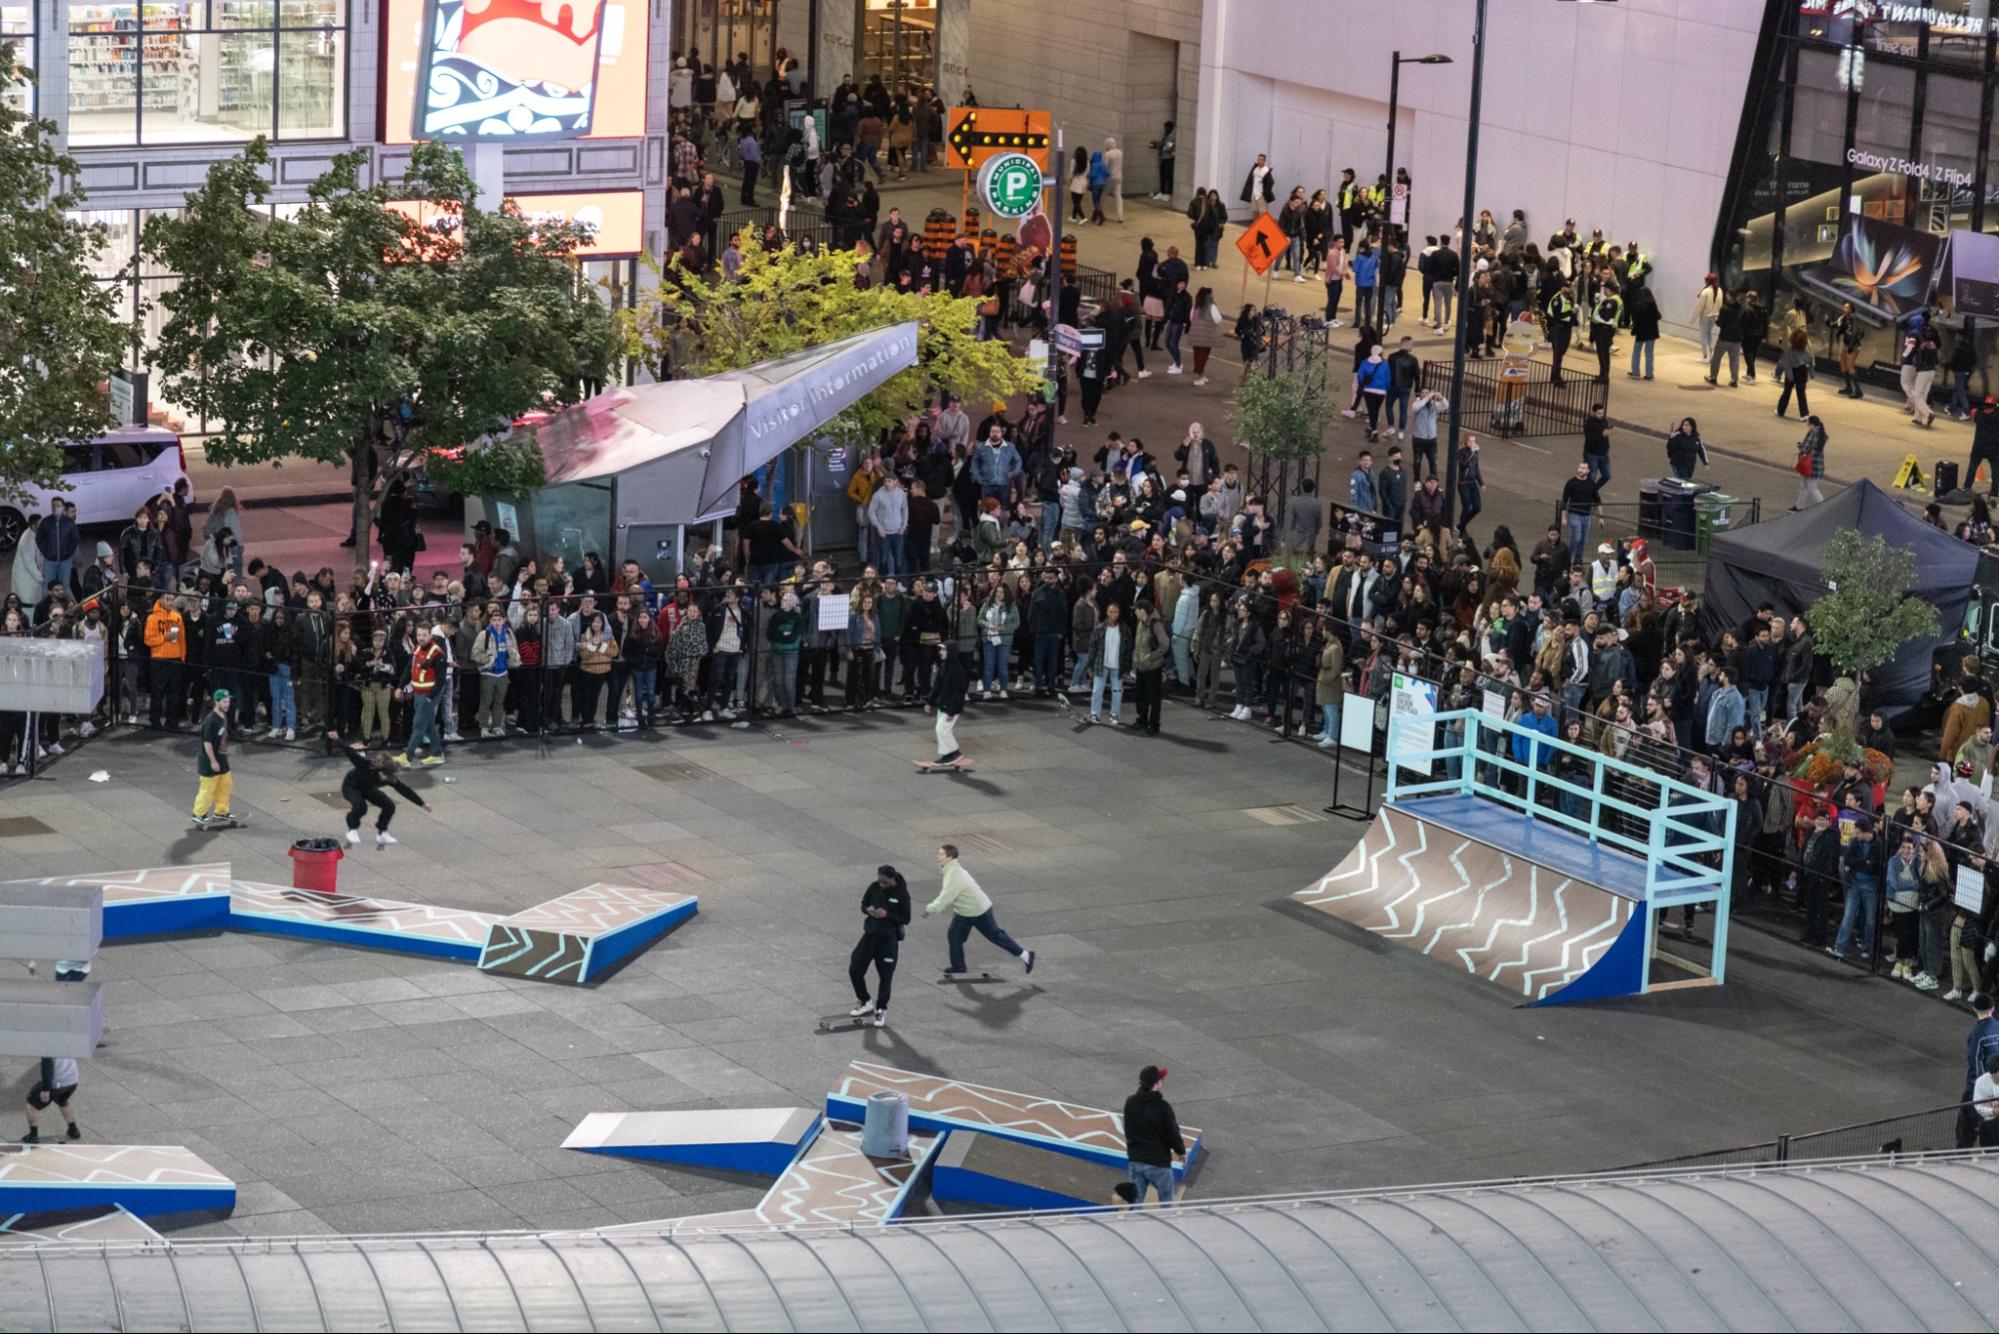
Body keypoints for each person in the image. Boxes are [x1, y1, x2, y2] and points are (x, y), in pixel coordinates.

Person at [925, 843, 1035, 975]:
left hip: (979, 911)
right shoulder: (951, 870)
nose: (938, 856)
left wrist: (930, 909)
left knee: (996, 935)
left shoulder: (954, 875)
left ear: (950, 857)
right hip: (965, 912)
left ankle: (1026, 955)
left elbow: (945, 897)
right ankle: (959, 966)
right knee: (954, 936)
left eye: (941, 854)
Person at [327, 731, 431, 846]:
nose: (388, 779)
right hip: (351, 786)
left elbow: (404, 789)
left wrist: (422, 804)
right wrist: (337, 739)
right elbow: (350, 752)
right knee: (361, 807)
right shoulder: (365, 765)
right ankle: (352, 830)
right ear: (380, 770)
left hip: (368, 788)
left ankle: (382, 833)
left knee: (389, 805)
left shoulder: (388, 777)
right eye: (387, 776)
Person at [845, 865, 911, 1029]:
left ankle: (881, 1009)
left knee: (885, 977)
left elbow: (906, 918)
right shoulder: (874, 887)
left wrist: (887, 914)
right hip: (869, 936)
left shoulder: (902, 894)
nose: (881, 884)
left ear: (892, 878)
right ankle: (865, 1001)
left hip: (888, 941)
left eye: (884, 882)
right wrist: (868, 910)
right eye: (879, 881)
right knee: (855, 969)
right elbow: (864, 903)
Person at [1121, 1064, 1185, 1206]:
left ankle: (1133, 1226)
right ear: (1156, 1084)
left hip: (1136, 1159)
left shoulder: (1130, 1102)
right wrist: (1180, 1151)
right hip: (1158, 1162)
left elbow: (1128, 1128)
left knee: (1135, 1202)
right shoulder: (1163, 1107)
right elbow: (1172, 1132)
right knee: (1166, 1202)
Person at [191, 688, 240, 830]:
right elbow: (207, 743)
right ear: (216, 702)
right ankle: (198, 814)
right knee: (208, 788)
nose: (227, 704)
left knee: (225, 784)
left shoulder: (222, 717)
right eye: (224, 702)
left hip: (222, 758)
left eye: (228, 701)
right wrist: (213, 761)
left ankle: (222, 811)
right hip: (209, 761)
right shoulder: (211, 721)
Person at [1956, 992, 1999, 1148]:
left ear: (1974, 1009)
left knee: (1966, 1127)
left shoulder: (1977, 1035)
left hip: (1978, 1088)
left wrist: (1977, 1088)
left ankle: (1961, 1156)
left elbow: (1975, 1063)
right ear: (1993, 1008)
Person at [927, 641, 969, 766]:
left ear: (950, 652)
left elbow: (959, 693)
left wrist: (952, 711)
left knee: (941, 730)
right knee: (943, 730)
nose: (940, 652)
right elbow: (937, 686)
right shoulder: (944, 666)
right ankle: (948, 755)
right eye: (941, 650)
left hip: (951, 707)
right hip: (943, 704)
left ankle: (954, 753)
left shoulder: (958, 671)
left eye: (944, 650)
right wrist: (929, 701)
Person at [21, 1056, 80, 1144]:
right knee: (62, 1100)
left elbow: (47, 1068)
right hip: (72, 1081)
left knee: (32, 1103)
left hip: (57, 1083)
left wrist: (45, 1090)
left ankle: (33, 1135)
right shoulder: (69, 1042)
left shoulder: (48, 1047)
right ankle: (73, 1130)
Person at [1794, 416, 1827, 510]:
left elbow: (1805, 448)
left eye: (1808, 423)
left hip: (1810, 464)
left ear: (1812, 424)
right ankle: (1799, 506)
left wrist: (1799, 446)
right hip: (1817, 464)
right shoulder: (1821, 433)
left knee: (1812, 488)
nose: (1807, 425)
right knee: (1803, 485)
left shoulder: (1813, 433)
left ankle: (1823, 506)